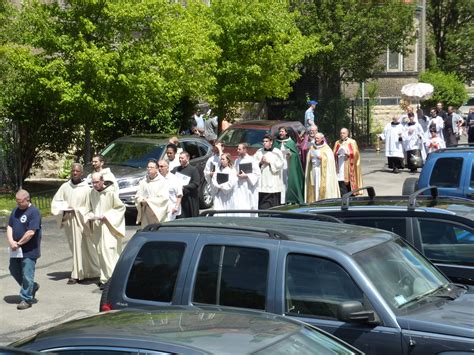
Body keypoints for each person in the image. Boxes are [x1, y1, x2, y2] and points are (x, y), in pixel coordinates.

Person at [51, 163, 99, 285]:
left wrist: (77, 210)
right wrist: (64, 209)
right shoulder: (65, 187)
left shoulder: (87, 189)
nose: (75, 173)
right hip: (69, 221)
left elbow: (90, 207)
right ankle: (78, 272)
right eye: (73, 171)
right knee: (74, 247)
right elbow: (56, 202)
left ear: (81, 173)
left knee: (85, 247)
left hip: (82, 222)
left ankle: (87, 272)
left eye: (77, 171)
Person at [87, 172, 125, 289]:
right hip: (98, 227)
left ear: (102, 181)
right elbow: (90, 208)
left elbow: (120, 208)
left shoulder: (110, 193)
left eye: (97, 182)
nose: (94, 185)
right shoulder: (92, 193)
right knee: (100, 252)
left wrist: (106, 216)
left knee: (109, 251)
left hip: (109, 227)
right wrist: (91, 215)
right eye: (93, 182)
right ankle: (104, 278)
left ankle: (112, 279)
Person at [7, 189, 41, 310]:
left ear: (27, 199)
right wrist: (11, 241)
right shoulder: (16, 210)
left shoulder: (34, 212)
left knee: (27, 274)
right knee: (13, 269)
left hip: (29, 250)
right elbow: (10, 226)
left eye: (20, 202)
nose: (18, 204)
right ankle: (31, 287)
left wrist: (19, 243)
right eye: (17, 202)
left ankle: (26, 298)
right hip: (16, 248)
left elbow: (31, 232)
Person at [304, 133, 340, 203]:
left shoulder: (326, 148)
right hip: (314, 170)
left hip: (323, 172)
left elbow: (330, 160)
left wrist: (322, 158)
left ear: (322, 139)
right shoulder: (312, 147)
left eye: (317, 138)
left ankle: (322, 201)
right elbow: (308, 158)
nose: (316, 140)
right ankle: (314, 200)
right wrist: (310, 158)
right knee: (314, 185)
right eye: (315, 138)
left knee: (321, 186)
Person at [273, 127, 305, 204]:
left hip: (288, 164)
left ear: (286, 133)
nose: (281, 133)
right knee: (279, 181)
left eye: (282, 131)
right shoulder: (276, 142)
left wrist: (291, 155)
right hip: (278, 165)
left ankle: (290, 198)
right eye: (280, 131)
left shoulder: (291, 142)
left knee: (288, 181)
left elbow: (296, 155)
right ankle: (280, 200)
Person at [254, 134, 285, 209]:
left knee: (273, 201)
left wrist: (270, 163)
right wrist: (260, 162)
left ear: (271, 142)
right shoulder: (259, 152)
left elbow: (281, 164)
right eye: (263, 141)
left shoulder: (277, 152)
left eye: (266, 141)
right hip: (262, 180)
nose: (264, 143)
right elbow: (254, 164)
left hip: (273, 180)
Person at [134, 159, 169, 226]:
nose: (149, 169)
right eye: (148, 167)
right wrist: (141, 201)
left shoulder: (163, 182)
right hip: (146, 214)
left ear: (157, 169)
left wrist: (148, 201)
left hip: (157, 214)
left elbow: (164, 198)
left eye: (151, 167)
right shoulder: (143, 182)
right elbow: (137, 196)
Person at [333, 128, 363, 195]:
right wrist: (337, 153)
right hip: (340, 164)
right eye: (341, 133)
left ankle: (350, 194)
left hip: (349, 164)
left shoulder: (352, 142)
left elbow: (356, 153)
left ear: (347, 134)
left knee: (349, 180)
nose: (342, 134)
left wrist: (349, 154)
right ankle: (342, 194)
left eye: (343, 133)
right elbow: (333, 153)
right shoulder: (337, 142)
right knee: (340, 179)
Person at [234, 143, 260, 215]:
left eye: (239, 149)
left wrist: (247, 176)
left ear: (245, 150)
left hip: (249, 188)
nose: (237, 150)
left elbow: (257, 173)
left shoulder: (251, 160)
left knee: (250, 205)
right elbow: (234, 171)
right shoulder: (237, 161)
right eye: (237, 148)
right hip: (240, 187)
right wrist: (236, 174)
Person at [172, 151, 200, 218]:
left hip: (189, 198)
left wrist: (184, 187)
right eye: (179, 158)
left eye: (182, 158)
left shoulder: (193, 170)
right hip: (178, 198)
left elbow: (196, 183)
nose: (180, 159)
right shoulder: (176, 169)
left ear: (187, 158)